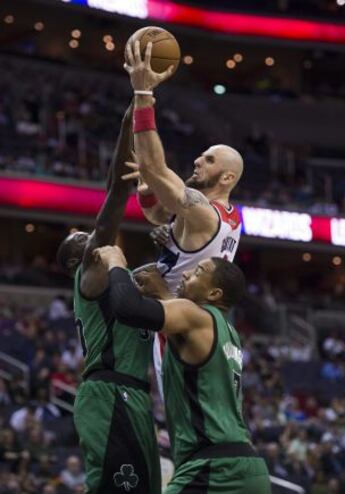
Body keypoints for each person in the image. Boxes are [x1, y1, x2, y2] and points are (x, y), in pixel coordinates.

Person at [94, 244, 271, 494]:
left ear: (214, 294)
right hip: (248, 467)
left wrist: (115, 262)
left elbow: (127, 308)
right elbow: (181, 329)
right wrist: (163, 293)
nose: (187, 274)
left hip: (215, 469)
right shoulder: (228, 332)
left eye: (198, 271)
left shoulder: (195, 316)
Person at [123, 40, 244, 396]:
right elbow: (157, 213)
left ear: (227, 178)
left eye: (208, 160)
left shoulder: (203, 212)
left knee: (184, 416)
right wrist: (149, 188)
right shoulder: (227, 216)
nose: (197, 161)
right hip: (199, 323)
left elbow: (153, 165)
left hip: (177, 320)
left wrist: (143, 92)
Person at [56, 103, 161, 494]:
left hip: (130, 395)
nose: (94, 239)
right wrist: (130, 119)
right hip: (109, 393)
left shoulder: (121, 283)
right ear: (75, 262)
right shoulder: (90, 272)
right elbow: (116, 191)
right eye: (84, 242)